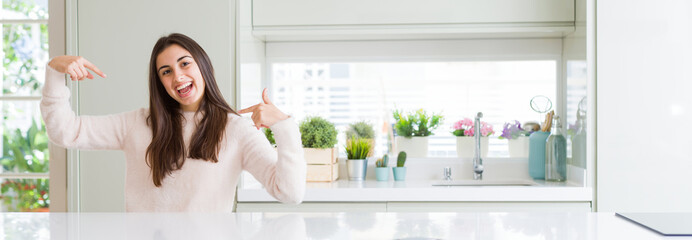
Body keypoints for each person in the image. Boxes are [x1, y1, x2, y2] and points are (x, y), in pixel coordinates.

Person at [40, 33, 305, 212]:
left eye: (185, 64)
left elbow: (290, 193)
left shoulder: (236, 129)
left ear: (203, 66)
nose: (178, 77)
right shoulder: (138, 123)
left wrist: (284, 126)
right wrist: (54, 70)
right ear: (160, 82)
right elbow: (65, 132)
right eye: (166, 72)